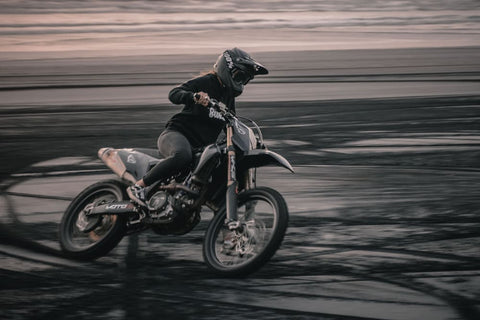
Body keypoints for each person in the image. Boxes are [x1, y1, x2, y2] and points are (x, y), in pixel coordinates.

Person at [127, 48, 268, 207]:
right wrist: (193, 96)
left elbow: (232, 124)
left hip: (199, 148)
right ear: (226, 68)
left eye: (244, 79)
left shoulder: (228, 97)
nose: (241, 82)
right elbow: (174, 93)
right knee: (182, 155)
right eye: (239, 76)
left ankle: (225, 225)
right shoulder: (207, 82)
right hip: (177, 133)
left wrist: (254, 142)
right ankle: (139, 186)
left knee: (218, 168)